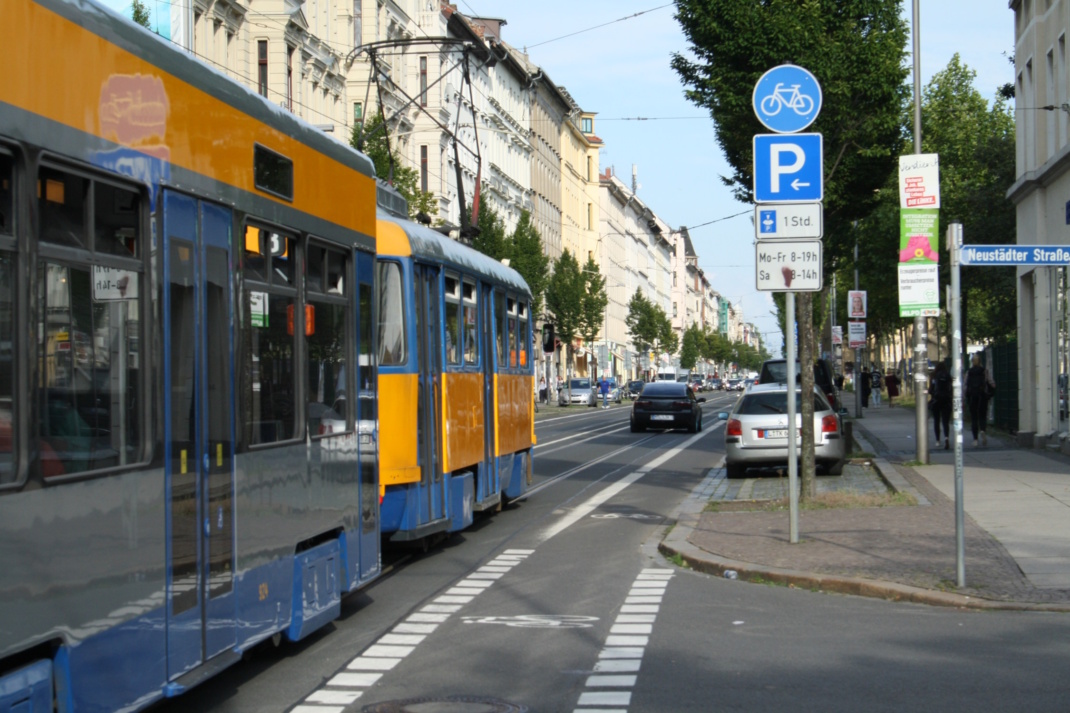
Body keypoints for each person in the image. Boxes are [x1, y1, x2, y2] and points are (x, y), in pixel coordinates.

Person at [965, 353, 995, 446]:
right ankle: (982, 430)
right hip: (982, 396)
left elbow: (965, 386)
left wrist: (965, 396)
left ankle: (975, 439)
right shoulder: (984, 371)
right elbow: (992, 383)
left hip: (972, 397)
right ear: (980, 361)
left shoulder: (968, 372)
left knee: (974, 417)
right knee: (982, 415)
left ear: (972, 362)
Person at [928, 362, 953, 450]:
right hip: (946, 400)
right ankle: (946, 437)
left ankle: (938, 440)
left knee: (936, 420)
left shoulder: (934, 376)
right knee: (945, 421)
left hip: (936, 400)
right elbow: (951, 388)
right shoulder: (948, 376)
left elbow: (931, 389)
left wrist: (932, 393)